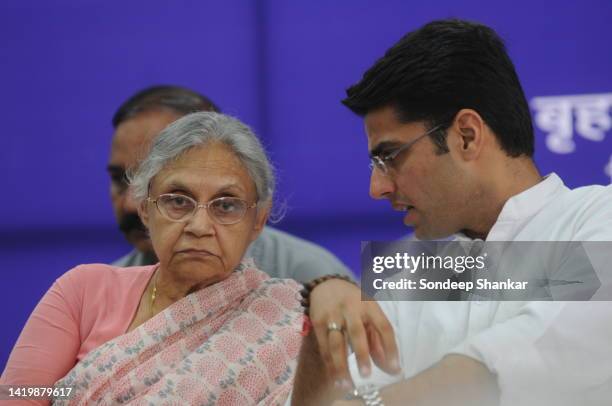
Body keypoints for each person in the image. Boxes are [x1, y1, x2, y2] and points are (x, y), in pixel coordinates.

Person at [291, 19, 612, 405]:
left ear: (467, 136)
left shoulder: (597, 217)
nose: (377, 188)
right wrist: (322, 298)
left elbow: (535, 355)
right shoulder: (409, 267)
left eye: (390, 156)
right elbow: (335, 398)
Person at [2, 112, 304, 405]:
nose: (199, 227)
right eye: (177, 201)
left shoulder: (288, 319)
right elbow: (16, 395)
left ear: (258, 222)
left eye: (226, 206)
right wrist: (73, 394)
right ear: (146, 209)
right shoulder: (83, 291)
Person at [108, 85, 352, 283]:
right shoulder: (103, 293)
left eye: (223, 204)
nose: (130, 203)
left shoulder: (312, 278)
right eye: (120, 179)